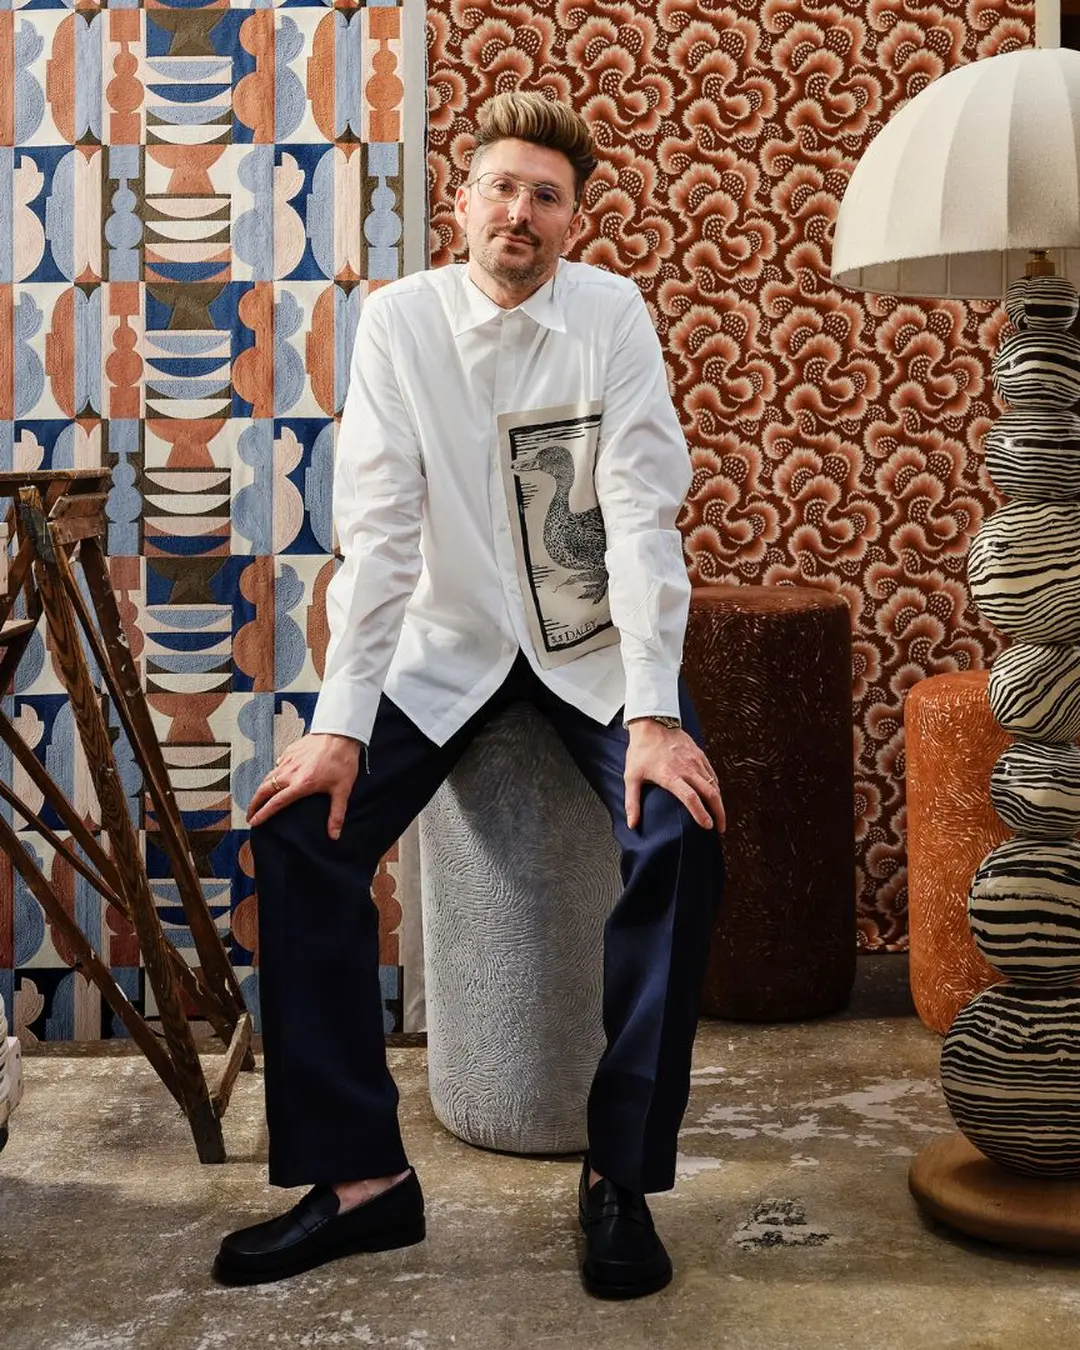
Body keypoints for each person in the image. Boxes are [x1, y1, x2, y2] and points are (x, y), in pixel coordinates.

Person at [213, 90, 725, 1301]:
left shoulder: (611, 314)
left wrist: (655, 715)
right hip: (440, 651)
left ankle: (620, 1174)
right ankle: (361, 1183)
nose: (521, 212)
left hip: (588, 651)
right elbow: (380, 533)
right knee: (298, 832)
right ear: (463, 201)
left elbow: (643, 512)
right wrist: (340, 726)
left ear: (574, 220)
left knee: (681, 830)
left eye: (548, 195)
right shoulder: (401, 322)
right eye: (503, 186)